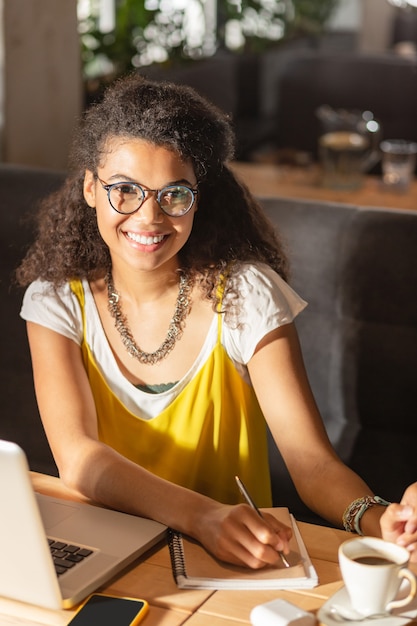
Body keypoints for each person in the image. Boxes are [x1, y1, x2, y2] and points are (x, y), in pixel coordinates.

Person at [17, 74, 417, 568]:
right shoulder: (56, 299)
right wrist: (203, 516)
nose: (148, 217)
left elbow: (312, 464)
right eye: (124, 190)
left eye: (174, 194)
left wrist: (380, 519)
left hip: (227, 562)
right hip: (108, 549)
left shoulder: (246, 295)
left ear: (197, 198)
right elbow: (79, 459)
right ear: (90, 188)